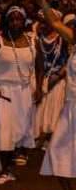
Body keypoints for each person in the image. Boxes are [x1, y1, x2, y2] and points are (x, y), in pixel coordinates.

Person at [0, 6, 36, 185]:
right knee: (5, 130)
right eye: (12, 19)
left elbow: (41, 66)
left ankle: (6, 162)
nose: (15, 22)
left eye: (18, 19)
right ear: (7, 21)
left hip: (24, 92)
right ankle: (5, 170)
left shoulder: (32, 41)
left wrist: (41, 88)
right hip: (3, 91)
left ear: (24, 21)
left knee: (18, 132)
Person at [39, 0, 76, 190]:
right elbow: (53, 22)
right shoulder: (73, 41)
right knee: (56, 149)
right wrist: (42, 1)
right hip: (70, 106)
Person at [34, 13, 67, 142]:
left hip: (57, 81)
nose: (43, 25)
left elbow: (68, 61)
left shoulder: (62, 39)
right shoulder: (36, 39)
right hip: (39, 79)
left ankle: (50, 139)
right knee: (38, 112)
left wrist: (58, 76)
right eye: (42, 22)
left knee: (54, 112)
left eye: (46, 22)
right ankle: (37, 138)